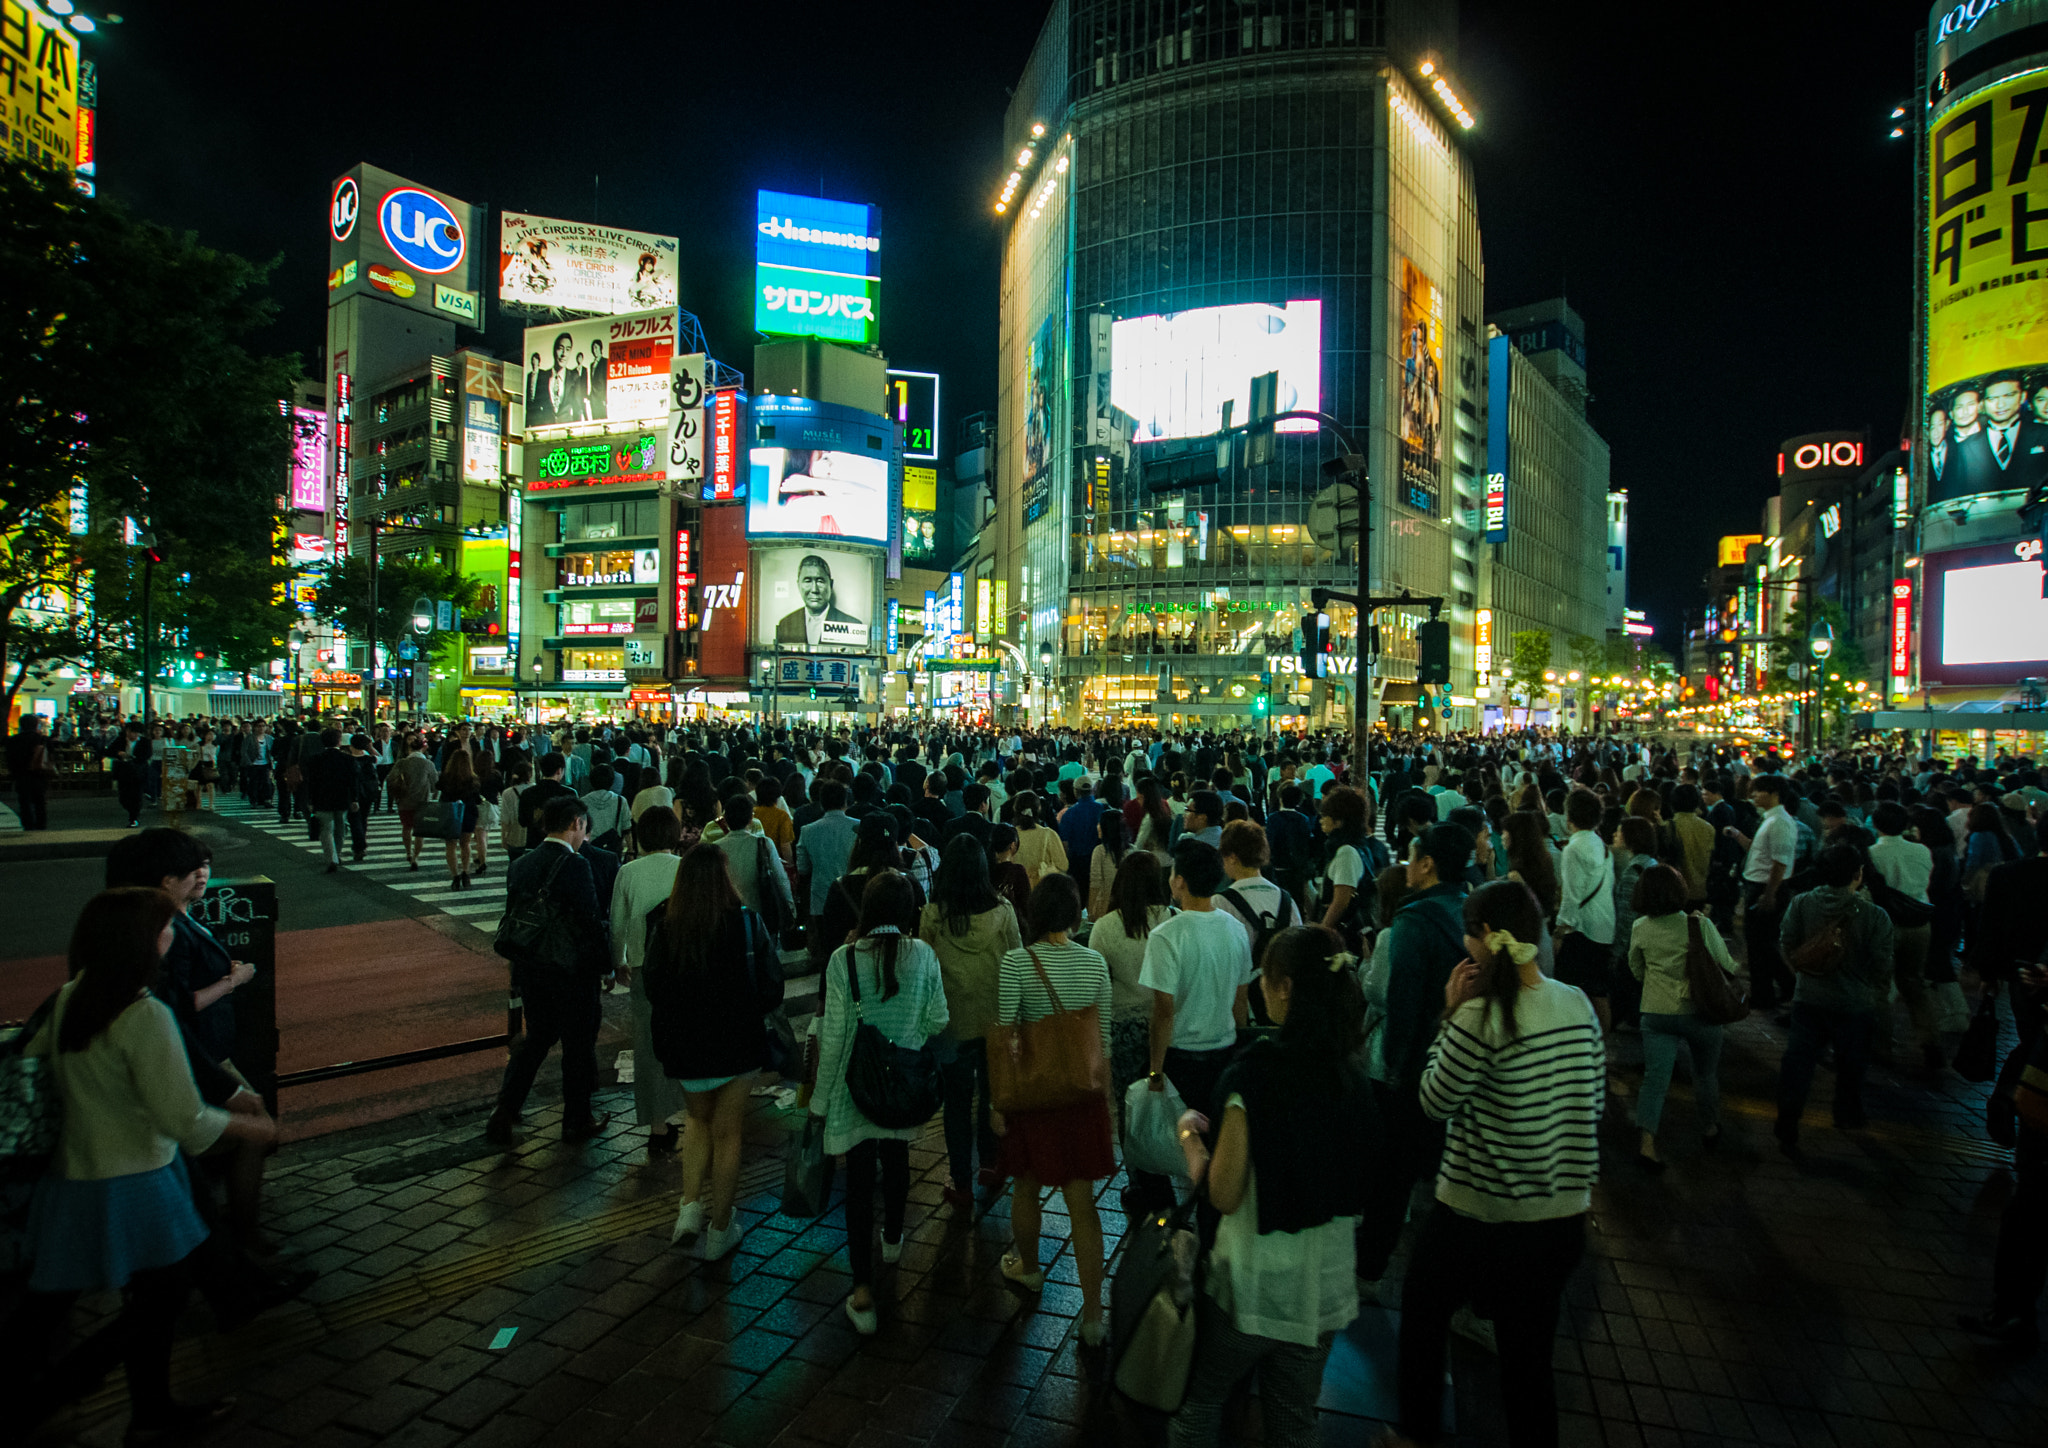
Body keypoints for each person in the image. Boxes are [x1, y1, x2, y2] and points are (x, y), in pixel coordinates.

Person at [10, 887, 276, 1439]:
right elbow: (189, 1122)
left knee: (54, 1304)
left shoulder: (72, 996)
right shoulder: (144, 1014)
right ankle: (50, 1401)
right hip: (138, 1183)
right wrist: (257, 1126)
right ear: (142, 941)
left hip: (76, 1179)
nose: (173, 933)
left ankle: (147, 1410)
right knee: (157, 1300)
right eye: (165, 926)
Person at [1389, 880, 1604, 1448]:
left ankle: (1417, 1435)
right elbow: (1595, 1102)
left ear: (1483, 938)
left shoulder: (1478, 1017)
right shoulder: (1576, 1003)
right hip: (1560, 1219)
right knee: (1528, 1363)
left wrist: (1449, 1014)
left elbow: (1434, 1102)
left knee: (1422, 1318)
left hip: (1477, 1216)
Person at [1170, 925, 1378, 1448]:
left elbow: (1223, 1193)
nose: (1259, 986)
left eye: (1266, 977)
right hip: (1325, 1283)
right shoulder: (1354, 1074)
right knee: (1293, 1417)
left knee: (1198, 1401)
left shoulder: (1255, 1076)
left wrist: (1190, 1139)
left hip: (1252, 1283)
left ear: (1286, 988)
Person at [810, 874, 950, 1334]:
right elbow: (938, 1018)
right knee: (896, 1158)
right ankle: (893, 1238)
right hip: (903, 1086)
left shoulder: (842, 959)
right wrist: (906, 1037)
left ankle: (863, 1292)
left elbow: (832, 1038)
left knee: (857, 1188)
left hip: (855, 1088)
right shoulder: (923, 955)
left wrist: (819, 1102)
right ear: (908, 909)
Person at [643, 844, 781, 1261]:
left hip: (685, 1044)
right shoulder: (745, 923)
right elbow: (771, 987)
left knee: (697, 1123)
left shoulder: (666, 925)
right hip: (738, 1043)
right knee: (728, 1133)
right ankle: (721, 1229)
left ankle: (688, 1208)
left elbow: (653, 988)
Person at [993, 874, 1115, 1346]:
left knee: (1024, 1186)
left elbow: (1008, 1036)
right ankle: (1092, 1315)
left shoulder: (1017, 963)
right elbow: (1101, 1040)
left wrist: (997, 1102)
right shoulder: (1094, 962)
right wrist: (1101, 1096)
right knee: (1082, 1206)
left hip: (1034, 1096)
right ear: (1076, 913)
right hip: (1081, 1095)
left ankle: (1029, 1268)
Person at [1356, 822, 1472, 1296]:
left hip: (1412, 1066)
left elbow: (1401, 1002)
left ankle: (1369, 1269)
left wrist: (1401, 1072)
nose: (1405, 864)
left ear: (1427, 863)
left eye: (1411, 856)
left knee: (1392, 1175)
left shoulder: (1412, 922)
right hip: (1461, 1056)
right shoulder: (1470, 909)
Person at [485, 796, 612, 1146]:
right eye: (584, 827)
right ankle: (576, 1118)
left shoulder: (521, 863)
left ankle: (505, 1108)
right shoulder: (576, 865)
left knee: (537, 1038)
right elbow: (590, 921)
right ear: (576, 823)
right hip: (571, 971)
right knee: (577, 1043)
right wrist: (606, 966)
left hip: (531, 967)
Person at [1137, 839, 1256, 1208]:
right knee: (1214, 1141)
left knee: (1154, 1133)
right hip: (1223, 1053)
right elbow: (1241, 1000)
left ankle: (1160, 1210)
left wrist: (1155, 1072)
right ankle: (1207, 1212)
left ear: (1179, 882)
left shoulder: (1166, 936)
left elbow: (1163, 1012)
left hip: (1179, 1058)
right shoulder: (1235, 929)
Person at [919, 835, 1022, 1208]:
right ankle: (991, 1164)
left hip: (952, 1022)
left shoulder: (933, 915)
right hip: (995, 1021)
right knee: (992, 1096)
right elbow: (1017, 961)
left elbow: (925, 966)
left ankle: (960, 1181)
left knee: (958, 1104)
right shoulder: (1004, 910)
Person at [1774, 844, 1895, 1151]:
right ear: (1858, 874)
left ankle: (1789, 1113)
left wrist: (1803, 974)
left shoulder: (1801, 903)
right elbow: (1882, 965)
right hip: (1855, 1003)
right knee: (1852, 1063)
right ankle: (1846, 1113)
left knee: (1799, 1060)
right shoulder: (1875, 915)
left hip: (1809, 999)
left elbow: (1786, 943)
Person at [1627, 864, 1739, 1173]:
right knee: (1705, 1074)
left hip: (1656, 1012)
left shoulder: (1640, 927)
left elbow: (1636, 969)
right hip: (1699, 1012)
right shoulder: (1698, 924)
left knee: (1655, 1080)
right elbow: (1726, 963)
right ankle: (1710, 1127)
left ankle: (1647, 1145)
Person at [609, 808, 688, 1154]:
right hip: (685, 966)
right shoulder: (686, 868)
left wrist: (618, 962)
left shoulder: (627, 872)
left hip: (644, 966)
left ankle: (658, 1126)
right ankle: (693, 1113)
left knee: (648, 1043)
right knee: (689, 1036)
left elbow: (616, 925)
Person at [1090, 851, 1172, 1161]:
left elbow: (1098, 985)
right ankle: (1170, 1163)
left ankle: (1137, 1176)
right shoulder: (1172, 918)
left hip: (1121, 1027)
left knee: (1128, 1107)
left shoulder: (1106, 926)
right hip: (1165, 1027)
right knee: (1165, 1099)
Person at [1868, 801, 1941, 1070]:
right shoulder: (1922, 850)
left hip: (1888, 924)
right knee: (1914, 984)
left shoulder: (1873, 853)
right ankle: (1931, 1042)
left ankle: (1881, 1047)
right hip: (1920, 923)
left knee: (1879, 987)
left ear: (1875, 824)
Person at [1728, 774, 1798, 1012]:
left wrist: (1769, 894)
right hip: (1760, 885)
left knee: (1763, 944)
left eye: (1758, 791)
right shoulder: (1770, 820)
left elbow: (1780, 862)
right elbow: (1760, 851)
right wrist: (1738, 836)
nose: (1753, 795)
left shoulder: (1779, 822)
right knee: (1758, 944)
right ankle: (1765, 992)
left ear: (1773, 793)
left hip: (1766, 887)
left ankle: (1783, 987)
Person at [1554, 790, 1616, 1033]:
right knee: (1599, 992)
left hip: (1581, 929)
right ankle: (1602, 1047)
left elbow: (1571, 895)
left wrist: (1561, 930)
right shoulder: (1601, 845)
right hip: (1604, 925)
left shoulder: (1573, 849)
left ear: (1570, 816)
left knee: (1568, 991)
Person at [710, 792, 795, 921]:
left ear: (725, 820)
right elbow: (781, 878)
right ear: (751, 819)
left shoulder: (714, 848)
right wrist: (790, 908)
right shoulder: (764, 843)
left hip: (725, 917)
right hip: (760, 914)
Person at [773, 554, 865, 646]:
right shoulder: (785, 625)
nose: (814, 589)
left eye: (820, 581)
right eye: (808, 581)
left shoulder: (853, 625)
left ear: (831, 584)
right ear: (798, 585)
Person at [303, 728, 360, 875]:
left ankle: (331, 858)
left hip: (322, 798)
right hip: (343, 798)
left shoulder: (315, 759)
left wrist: (310, 800)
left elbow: (311, 782)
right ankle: (338, 853)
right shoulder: (348, 759)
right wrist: (354, 798)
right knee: (341, 827)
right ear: (339, 741)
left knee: (326, 830)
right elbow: (353, 781)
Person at [388, 735, 439, 871]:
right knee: (419, 831)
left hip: (404, 800)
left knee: (406, 827)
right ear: (423, 747)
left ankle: (408, 852)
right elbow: (435, 784)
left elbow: (391, 779)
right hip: (422, 801)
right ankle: (416, 857)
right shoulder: (428, 764)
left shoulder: (402, 763)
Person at [435, 748, 484, 890]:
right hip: (468, 812)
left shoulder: (446, 777)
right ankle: (465, 872)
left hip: (450, 812)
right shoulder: (472, 778)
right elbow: (477, 798)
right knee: (466, 844)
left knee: (450, 845)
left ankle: (455, 875)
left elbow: (439, 789)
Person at [7, 714, 55, 830]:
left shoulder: (13, 741)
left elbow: (10, 759)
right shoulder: (43, 740)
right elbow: (51, 755)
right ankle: (41, 825)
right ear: (36, 725)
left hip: (21, 775)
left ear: (21, 725)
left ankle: (28, 825)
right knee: (40, 802)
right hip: (39, 774)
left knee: (24, 802)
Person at [1012, 794, 1068, 887]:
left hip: (1017, 889)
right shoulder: (1048, 834)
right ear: (1039, 809)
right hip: (1043, 890)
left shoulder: (1011, 835)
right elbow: (1063, 865)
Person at [1087, 808, 1128, 918]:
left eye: (1100, 823)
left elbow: (1095, 884)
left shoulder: (1100, 851)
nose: (1097, 826)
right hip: (1128, 908)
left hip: (1104, 909)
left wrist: (1090, 911)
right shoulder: (1132, 851)